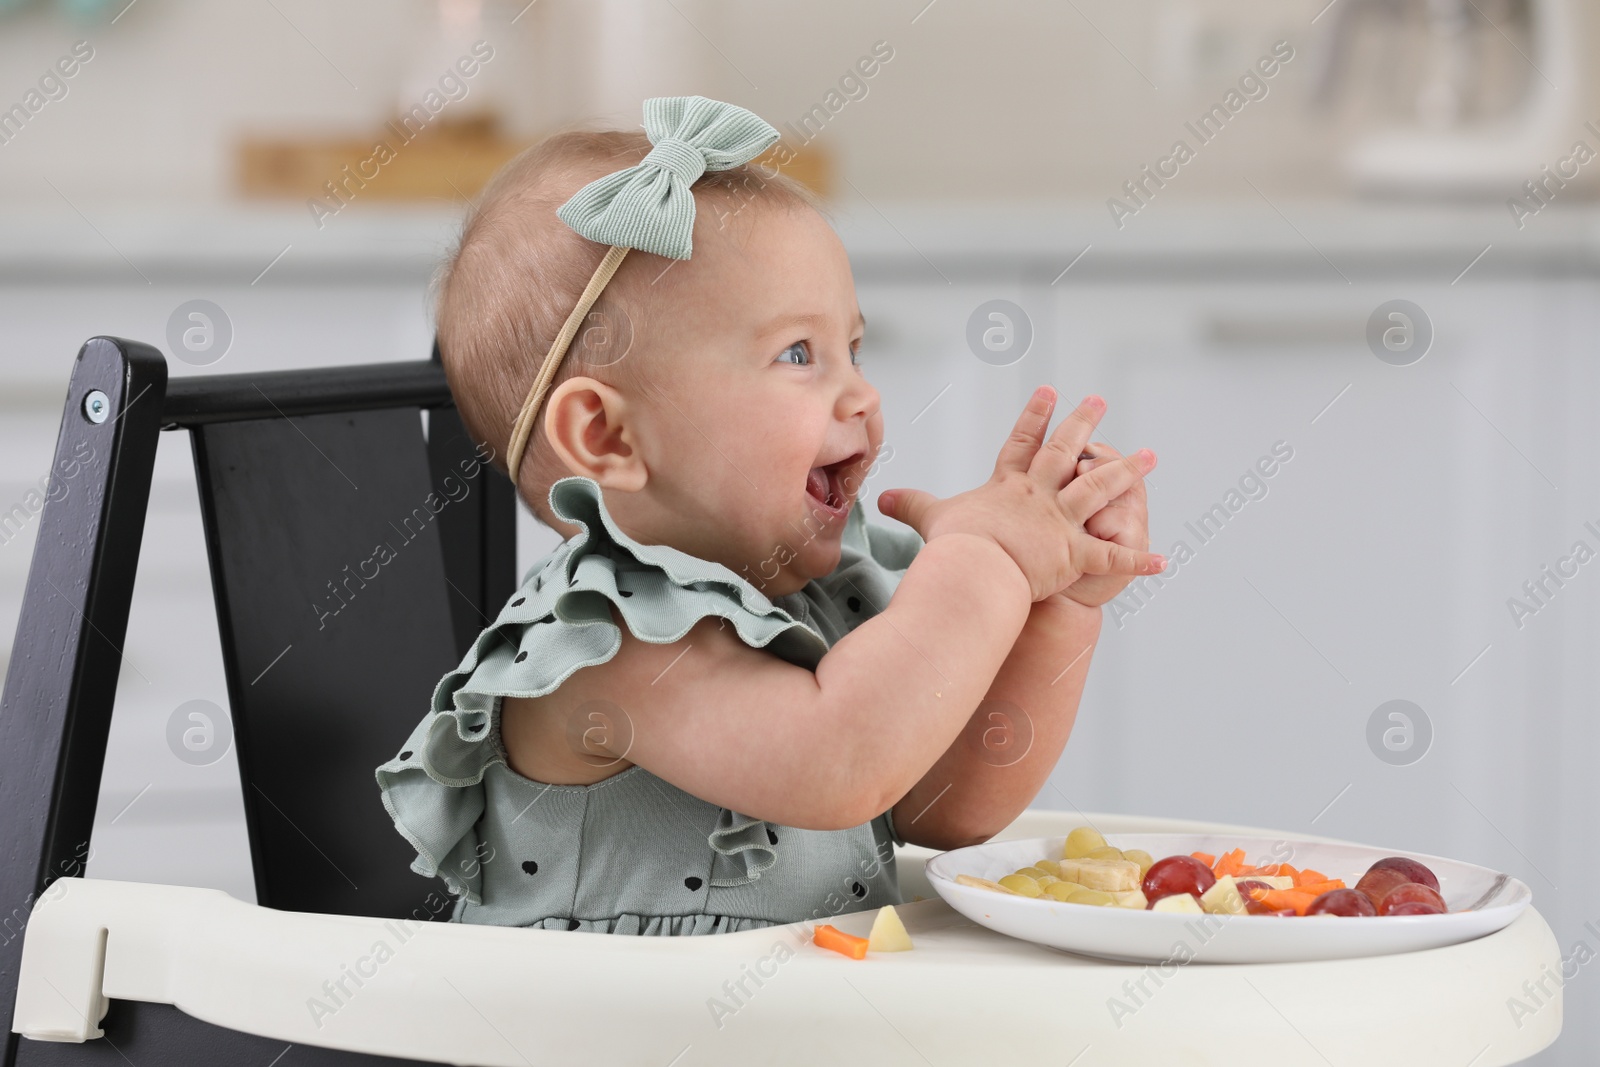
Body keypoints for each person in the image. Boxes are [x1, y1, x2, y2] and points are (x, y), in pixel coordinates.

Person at [376, 95, 1164, 934]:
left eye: (852, 349)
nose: (861, 393)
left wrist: (1058, 608)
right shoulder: (605, 645)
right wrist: (981, 557)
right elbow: (844, 762)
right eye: (798, 354)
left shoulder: (804, 603)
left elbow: (941, 803)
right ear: (608, 435)